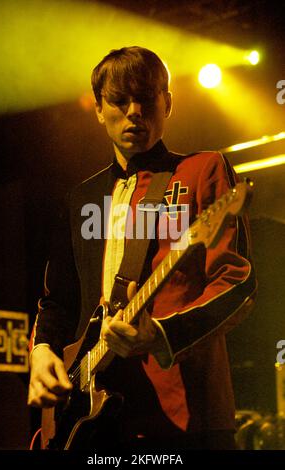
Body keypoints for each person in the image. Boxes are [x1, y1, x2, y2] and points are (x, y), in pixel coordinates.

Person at [28, 46, 257, 450]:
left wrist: (163, 334)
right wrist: (42, 353)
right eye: (118, 100)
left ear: (167, 102)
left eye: (146, 98)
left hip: (185, 418)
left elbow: (237, 284)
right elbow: (58, 301)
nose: (134, 110)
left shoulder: (203, 170)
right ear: (98, 109)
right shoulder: (82, 199)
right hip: (90, 421)